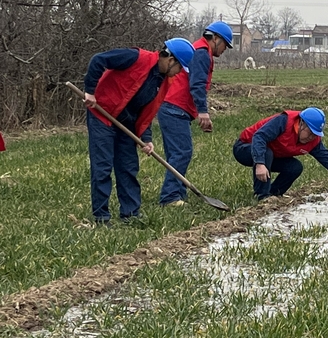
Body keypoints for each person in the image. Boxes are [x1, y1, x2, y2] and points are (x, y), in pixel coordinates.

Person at [82, 38, 194, 225]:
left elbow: (147, 111)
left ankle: (131, 214)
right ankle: (101, 217)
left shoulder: (162, 82)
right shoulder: (136, 57)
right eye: (179, 68)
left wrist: (146, 138)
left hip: (126, 124)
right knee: (102, 167)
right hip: (102, 114)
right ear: (170, 59)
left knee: (128, 167)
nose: (178, 73)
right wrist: (90, 91)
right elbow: (98, 60)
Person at [157, 21, 233, 207]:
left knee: (176, 153)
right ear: (215, 39)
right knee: (183, 152)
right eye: (225, 44)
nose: (225, 49)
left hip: (170, 106)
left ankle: (178, 194)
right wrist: (203, 112)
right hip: (175, 106)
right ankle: (170, 197)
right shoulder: (201, 53)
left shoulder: (199, 50)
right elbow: (197, 84)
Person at [233, 108, 328, 200]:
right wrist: (260, 163)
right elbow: (259, 137)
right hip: (245, 149)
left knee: (295, 167)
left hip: (271, 155)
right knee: (266, 152)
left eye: (315, 134)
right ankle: (262, 196)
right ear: (301, 123)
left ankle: (273, 194)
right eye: (309, 132)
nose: (311, 137)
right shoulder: (283, 122)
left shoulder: (313, 141)